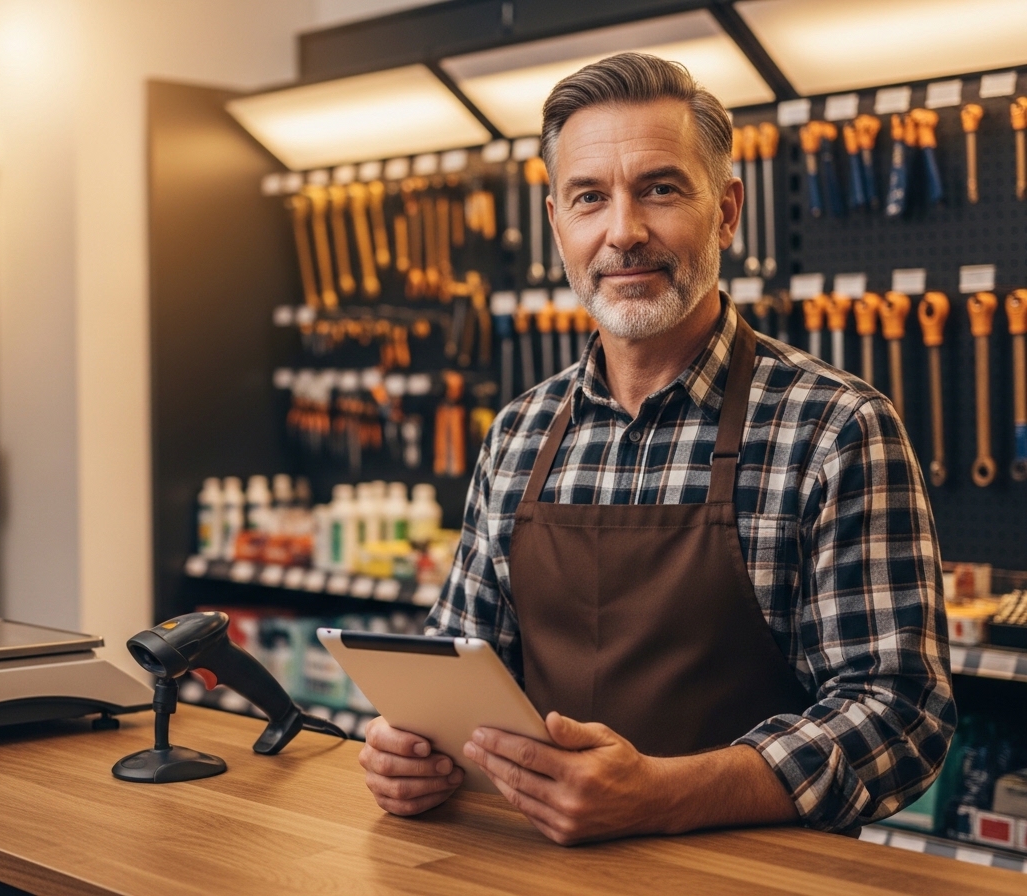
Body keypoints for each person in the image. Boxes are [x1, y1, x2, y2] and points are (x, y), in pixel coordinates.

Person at [358, 52, 955, 846]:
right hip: (538, 870)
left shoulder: (834, 428)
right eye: (589, 198)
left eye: (660, 189)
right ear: (557, 224)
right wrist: (411, 746)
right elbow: (455, 659)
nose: (623, 232)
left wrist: (668, 793)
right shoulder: (519, 433)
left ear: (728, 210)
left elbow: (901, 715)